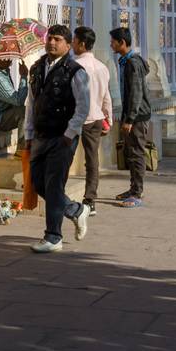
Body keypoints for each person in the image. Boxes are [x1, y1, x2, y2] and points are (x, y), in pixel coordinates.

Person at [22, 24, 91, 252]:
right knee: (38, 182)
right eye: (50, 38)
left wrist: (69, 134)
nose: (52, 43)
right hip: (40, 135)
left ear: (68, 44)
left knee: (53, 185)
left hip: (62, 138)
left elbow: (83, 107)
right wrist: (29, 133)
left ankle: (53, 237)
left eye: (58, 39)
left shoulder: (75, 71)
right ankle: (74, 210)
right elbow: (31, 103)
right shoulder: (36, 68)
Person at [71, 25, 113, 213]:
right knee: (92, 160)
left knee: (65, 157)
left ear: (82, 44)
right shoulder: (102, 67)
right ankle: (90, 200)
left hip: (76, 118)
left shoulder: (75, 66)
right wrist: (109, 119)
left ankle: (60, 196)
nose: (72, 44)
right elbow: (106, 96)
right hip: (96, 118)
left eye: (74, 40)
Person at [109, 27, 152, 206]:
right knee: (131, 153)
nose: (111, 44)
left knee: (136, 154)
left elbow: (135, 93)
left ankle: (137, 193)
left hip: (137, 116)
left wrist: (129, 119)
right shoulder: (127, 61)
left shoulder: (133, 63)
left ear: (122, 43)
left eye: (113, 41)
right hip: (133, 114)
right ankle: (133, 188)